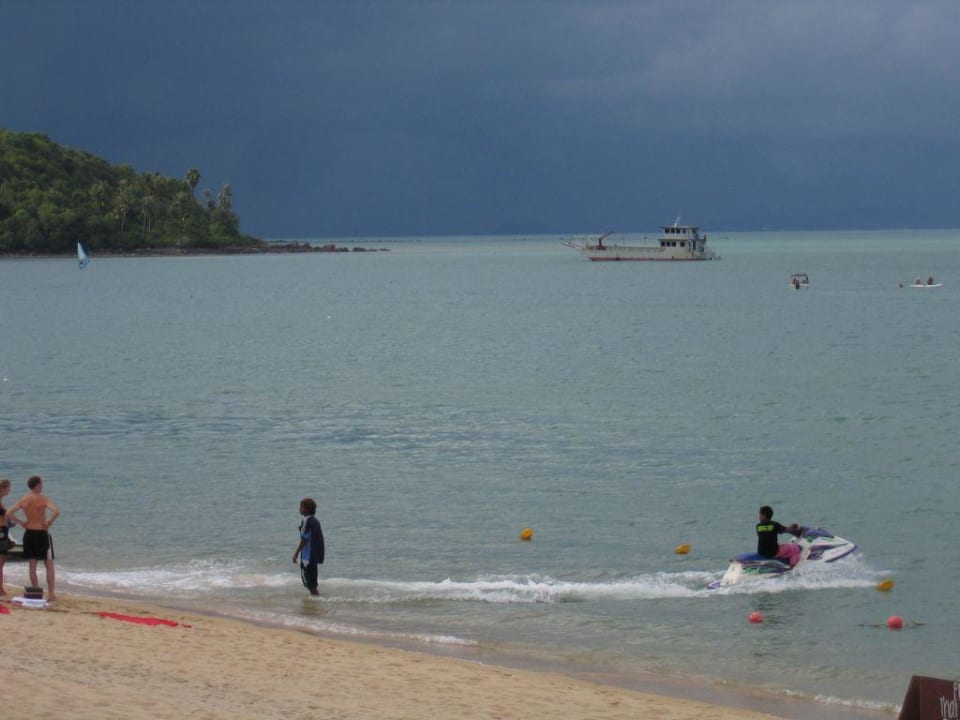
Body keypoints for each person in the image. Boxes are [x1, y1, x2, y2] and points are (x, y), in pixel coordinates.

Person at [5, 475, 59, 601]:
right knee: (49, 564)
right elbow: (56, 511)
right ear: (38, 485)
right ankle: (51, 594)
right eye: (41, 484)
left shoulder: (24, 500)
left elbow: (8, 513)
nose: (43, 486)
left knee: (32, 564)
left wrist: (21, 522)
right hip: (42, 533)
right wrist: (49, 522)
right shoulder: (43, 499)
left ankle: (36, 590)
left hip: (29, 533)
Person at [292, 497, 324, 596]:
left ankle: (315, 600)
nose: (299, 509)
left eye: (300, 507)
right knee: (313, 582)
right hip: (314, 556)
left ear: (306, 509)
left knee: (308, 582)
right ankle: (315, 603)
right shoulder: (316, 521)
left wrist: (296, 553)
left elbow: (304, 539)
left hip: (307, 557)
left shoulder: (306, 521)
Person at [0, 478, 26, 596]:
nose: (10, 490)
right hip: (1, 532)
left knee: (2, 560)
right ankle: (0, 588)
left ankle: (1, 587)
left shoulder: (1, 501)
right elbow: (4, 515)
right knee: (1, 561)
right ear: (3, 488)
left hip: (3, 530)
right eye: (8, 488)